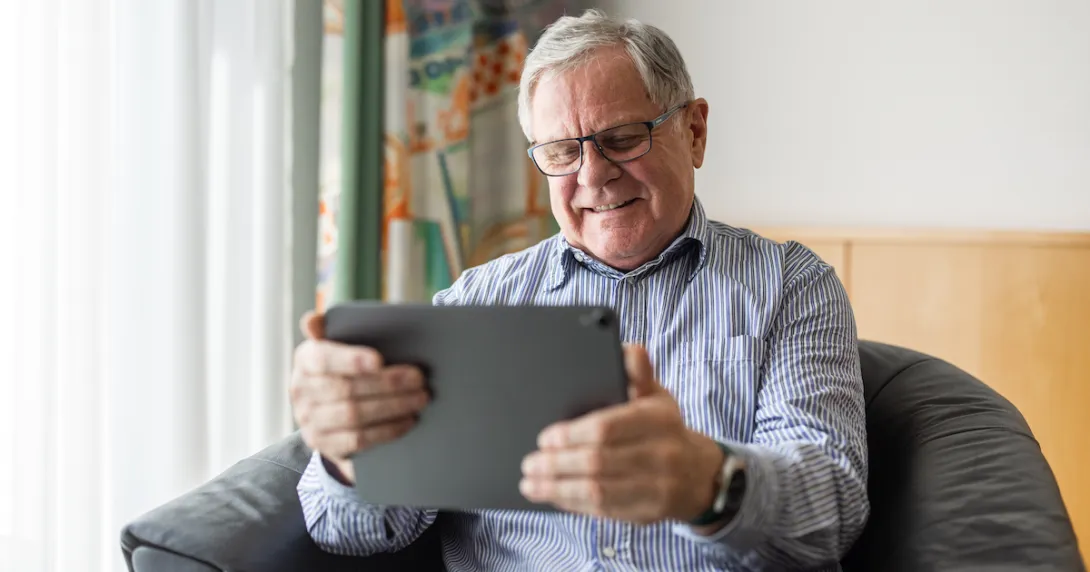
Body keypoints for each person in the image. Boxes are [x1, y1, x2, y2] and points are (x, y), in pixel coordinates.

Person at [289, 9, 868, 571]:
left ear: (694, 132)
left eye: (621, 138)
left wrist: (707, 481)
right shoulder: (477, 303)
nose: (592, 175)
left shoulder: (791, 285)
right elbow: (352, 532)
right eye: (562, 152)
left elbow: (832, 508)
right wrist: (349, 455)